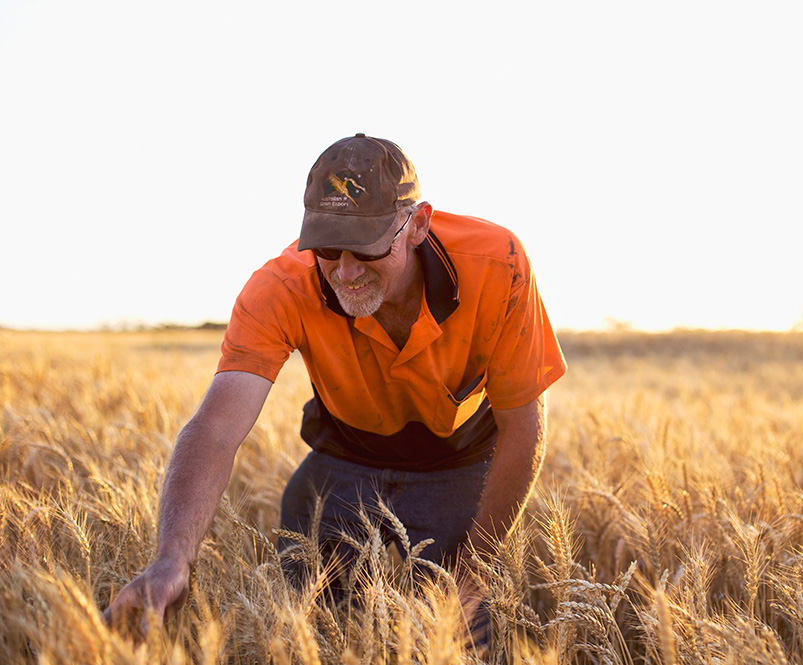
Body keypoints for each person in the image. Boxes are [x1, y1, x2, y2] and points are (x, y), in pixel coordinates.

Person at [102, 134, 567, 636]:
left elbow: (523, 429)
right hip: (344, 454)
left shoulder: (498, 264)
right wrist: (172, 558)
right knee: (311, 622)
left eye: (366, 247)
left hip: (460, 460)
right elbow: (215, 429)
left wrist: (473, 574)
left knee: (464, 630)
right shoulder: (281, 287)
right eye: (326, 245)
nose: (345, 272)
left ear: (418, 224)